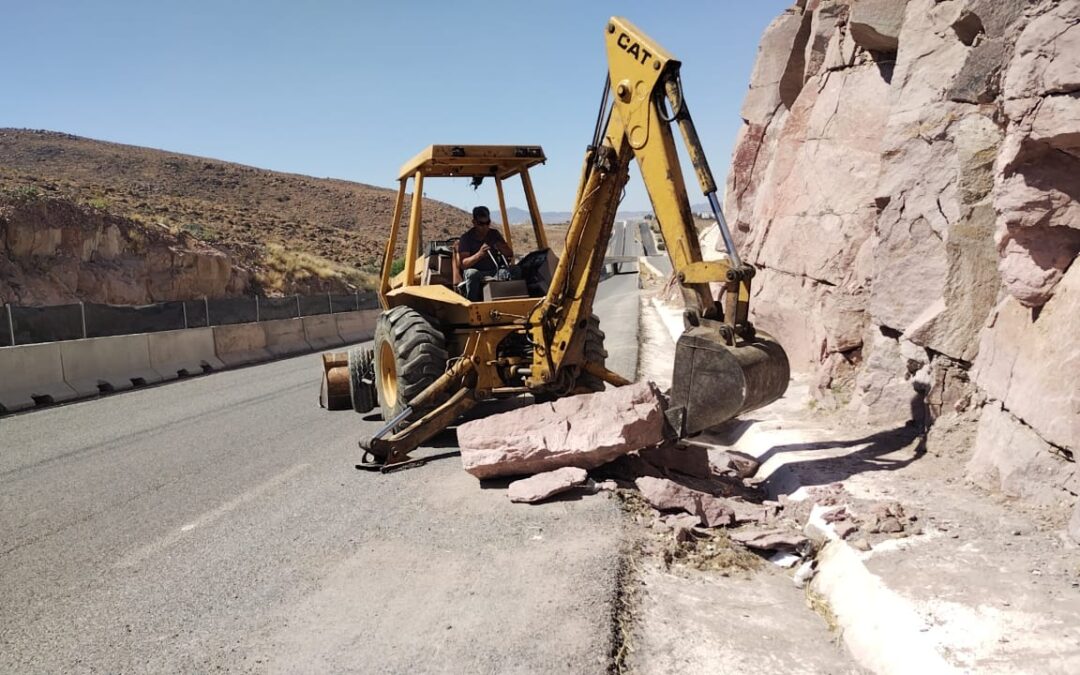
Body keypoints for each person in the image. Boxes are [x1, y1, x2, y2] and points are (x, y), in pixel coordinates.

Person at [455, 206, 515, 300]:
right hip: (477, 272)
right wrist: (479, 254)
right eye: (481, 224)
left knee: (515, 270)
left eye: (487, 223)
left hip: (494, 270)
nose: (485, 227)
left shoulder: (494, 234)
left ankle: (509, 300)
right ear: (474, 222)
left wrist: (501, 247)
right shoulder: (466, 238)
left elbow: (509, 254)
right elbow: (463, 264)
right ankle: (473, 303)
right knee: (472, 274)